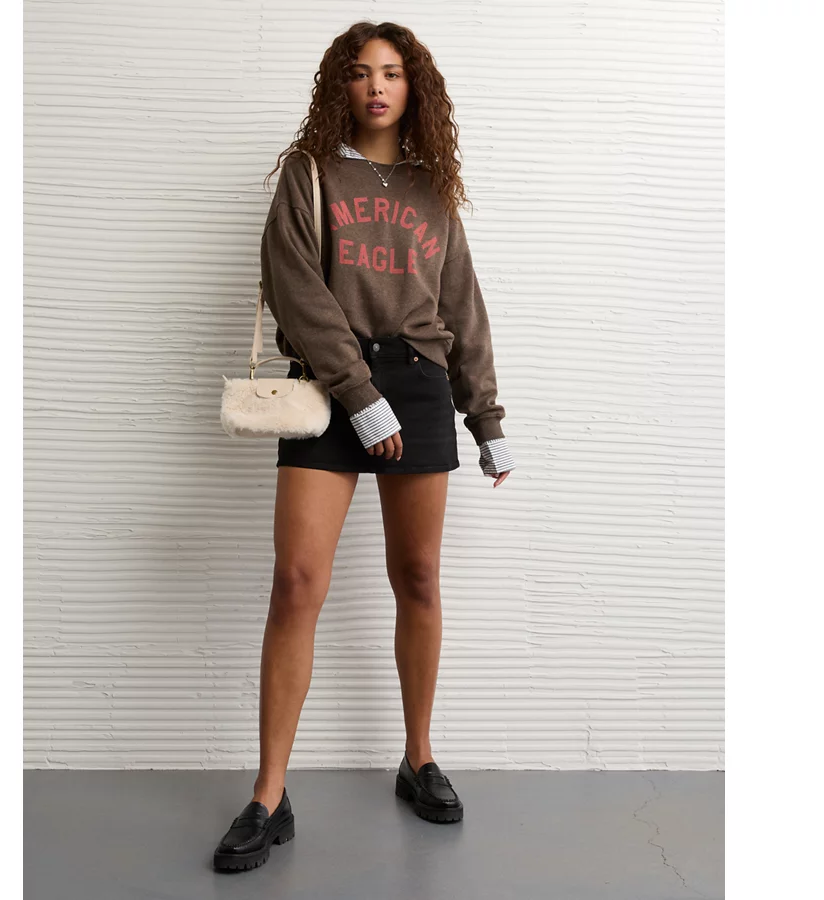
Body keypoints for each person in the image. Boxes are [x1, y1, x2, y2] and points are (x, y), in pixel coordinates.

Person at [213, 21, 516, 872]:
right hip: (329, 389)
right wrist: (358, 394)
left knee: (418, 578)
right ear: (338, 87)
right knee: (296, 583)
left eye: (391, 72)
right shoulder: (310, 174)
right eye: (359, 72)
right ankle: (269, 794)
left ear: (415, 88)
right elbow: (294, 287)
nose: (376, 86)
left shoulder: (432, 188)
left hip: (418, 387)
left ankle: (419, 758)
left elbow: (461, 305)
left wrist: (485, 419)